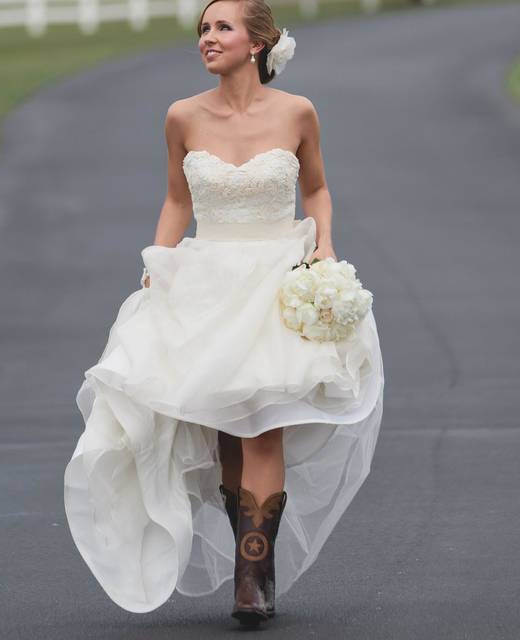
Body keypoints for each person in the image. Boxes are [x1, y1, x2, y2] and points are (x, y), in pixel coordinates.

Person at [63, 0, 385, 628]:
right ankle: (250, 550)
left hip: (275, 277)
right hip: (207, 281)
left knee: (264, 421)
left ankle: (253, 578)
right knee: (224, 430)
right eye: (203, 29)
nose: (208, 38)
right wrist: (157, 263)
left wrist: (323, 247)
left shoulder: (297, 113)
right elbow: (177, 198)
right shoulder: (182, 116)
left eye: (222, 28)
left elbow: (315, 187)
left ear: (259, 42)